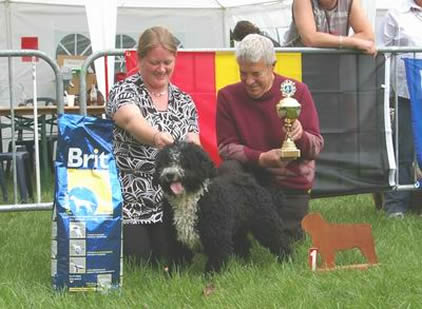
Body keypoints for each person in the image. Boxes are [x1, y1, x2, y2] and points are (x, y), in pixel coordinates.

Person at [106, 26, 200, 263]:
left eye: (167, 62)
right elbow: (131, 120)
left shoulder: (184, 100)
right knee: (139, 259)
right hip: (131, 201)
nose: (161, 69)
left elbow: (194, 144)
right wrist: (156, 136)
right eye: (154, 62)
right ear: (139, 59)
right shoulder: (123, 90)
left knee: (176, 260)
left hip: (173, 200)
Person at [216, 34, 324, 240]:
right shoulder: (227, 96)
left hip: (289, 181)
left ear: (272, 66)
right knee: (228, 169)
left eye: (256, 73)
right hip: (249, 182)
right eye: (243, 73)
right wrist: (261, 158)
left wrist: (300, 136)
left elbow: (317, 147)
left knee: (286, 240)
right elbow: (225, 148)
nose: (249, 81)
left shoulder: (298, 92)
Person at [382, 0, 422, 218]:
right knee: (403, 150)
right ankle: (396, 204)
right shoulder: (395, 14)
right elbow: (382, 52)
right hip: (407, 94)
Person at [283, 0, 376, 56]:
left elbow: (368, 36)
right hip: (297, 62)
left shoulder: (350, 1)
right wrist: (354, 43)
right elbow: (310, 38)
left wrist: (329, 41)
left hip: (330, 61)